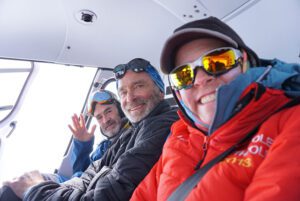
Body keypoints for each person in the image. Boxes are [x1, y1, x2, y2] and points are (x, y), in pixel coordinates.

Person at [131, 17, 300, 201]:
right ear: (178, 92)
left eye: (218, 61)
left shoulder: (291, 122)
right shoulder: (178, 138)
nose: (200, 79)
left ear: (245, 63)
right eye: (183, 75)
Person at [2, 58, 178, 201]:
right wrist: (82, 144)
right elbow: (86, 174)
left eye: (139, 86)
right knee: (13, 186)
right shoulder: (133, 132)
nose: (130, 98)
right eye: (123, 92)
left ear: (161, 91)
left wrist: (36, 190)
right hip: (74, 188)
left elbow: (102, 193)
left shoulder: (160, 127)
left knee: (10, 192)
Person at [45, 89, 129, 183]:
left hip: (81, 189)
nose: (105, 120)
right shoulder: (103, 146)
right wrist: (82, 145)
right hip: (76, 184)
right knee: (36, 178)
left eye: (108, 111)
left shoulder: (130, 138)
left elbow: (89, 181)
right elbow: (84, 172)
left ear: (120, 109)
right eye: (99, 117)